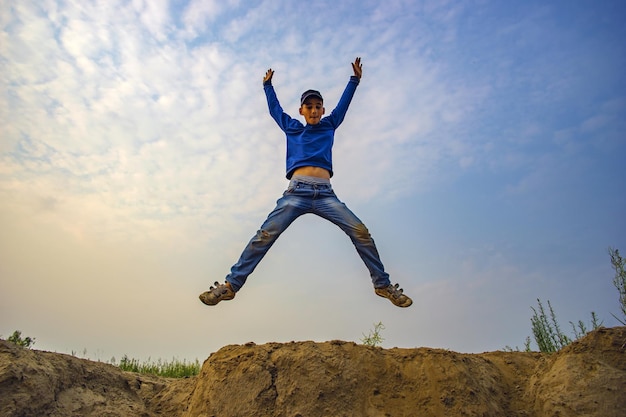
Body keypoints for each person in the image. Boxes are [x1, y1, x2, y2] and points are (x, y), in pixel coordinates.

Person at [199, 57, 412, 308]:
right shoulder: (292, 128)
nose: (313, 110)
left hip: (325, 195)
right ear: (301, 110)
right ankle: (230, 285)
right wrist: (268, 87)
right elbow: (275, 111)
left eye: (317, 106)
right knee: (264, 235)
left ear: (323, 110)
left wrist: (354, 80)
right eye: (308, 106)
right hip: (296, 193)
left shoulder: (329, 125)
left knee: (361, 232)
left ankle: (383, 285)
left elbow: (343, 106)